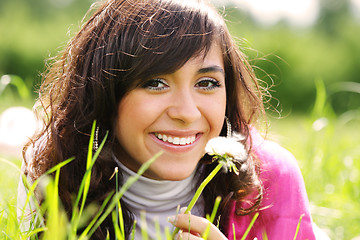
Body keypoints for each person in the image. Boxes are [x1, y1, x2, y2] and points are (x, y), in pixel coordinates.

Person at [18, 0, 320, 239]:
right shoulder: (54, 169)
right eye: (155, 83)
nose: (187, 113)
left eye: (207, 84)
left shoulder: (269, 178)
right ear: (103, 94)